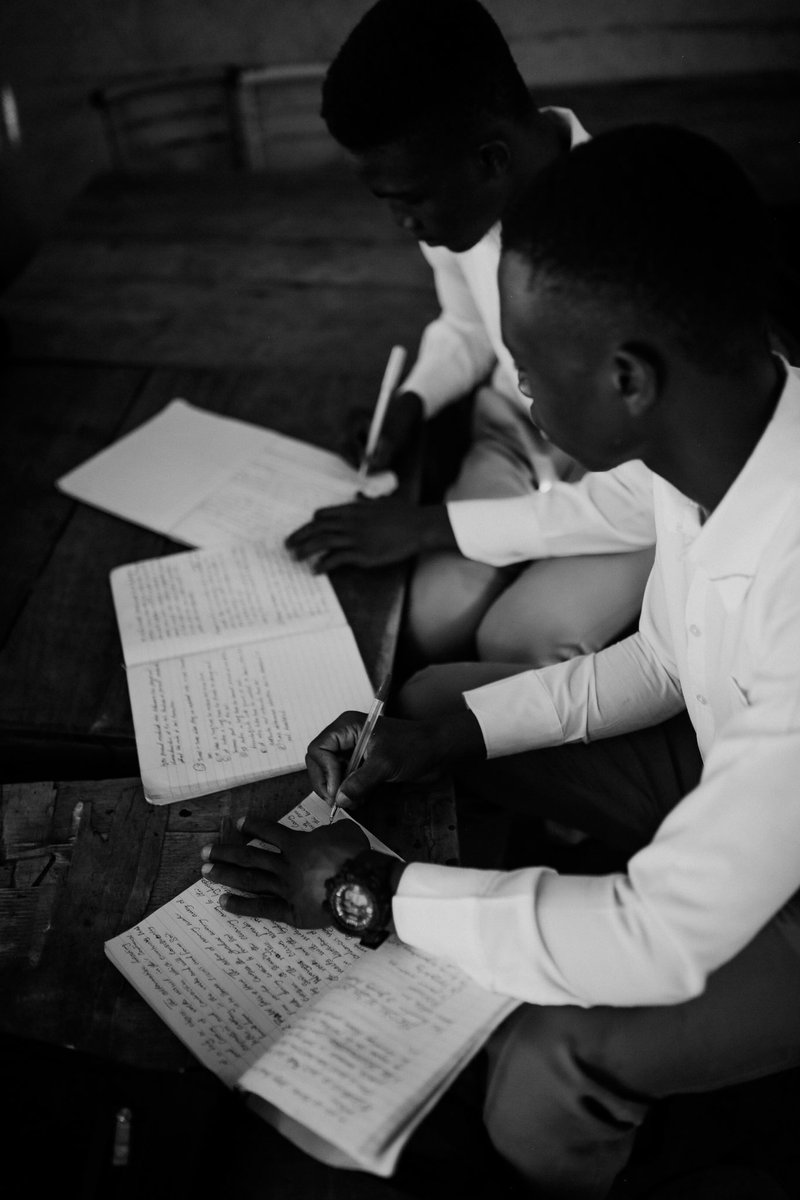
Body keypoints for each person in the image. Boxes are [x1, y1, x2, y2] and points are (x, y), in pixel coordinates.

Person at [202, 125, 800, 1198]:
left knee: (545, 1069)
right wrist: (447, 731)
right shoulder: (716, 432)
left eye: (525, 369)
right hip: (733, 779)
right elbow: (663, 661)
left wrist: (366, 893)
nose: (520, 400)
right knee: (431, 704)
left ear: (626, 379)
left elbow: (662, 931)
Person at [286, 0, 655, 674]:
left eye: (410, 198)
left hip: (636, 484)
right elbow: (466, 324)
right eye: (387, 202)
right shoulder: (460, 206)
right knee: (427, 622)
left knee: (520, 639)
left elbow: (650, 491)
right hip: (516, 434)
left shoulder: (631, 240)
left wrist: (430, 524)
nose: (402, 222)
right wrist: (413, 402)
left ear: (490, 160)